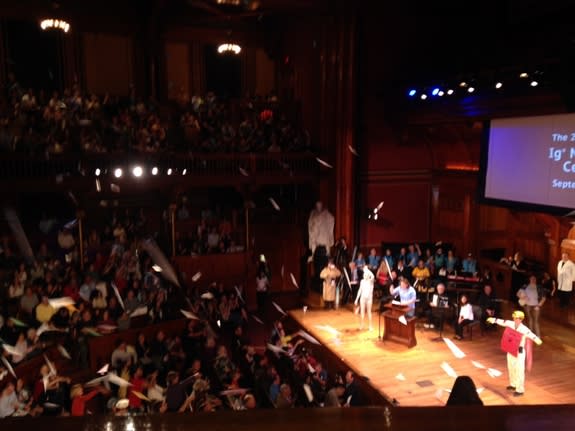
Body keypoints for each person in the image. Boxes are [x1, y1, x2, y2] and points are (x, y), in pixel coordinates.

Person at [487, 311, 542, 396]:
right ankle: (513, 384)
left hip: (519, 352)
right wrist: (493, 320)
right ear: (513, 318)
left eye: (519, 318)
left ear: (522, 319)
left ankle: (520, 390)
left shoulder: (524, 328)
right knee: (511, 367)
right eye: (516, 318)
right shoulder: (510, 323)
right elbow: (502, 322)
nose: (517, 320)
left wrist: (536, 339)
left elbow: (530, 334)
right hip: (511, 349)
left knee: (519, 370)